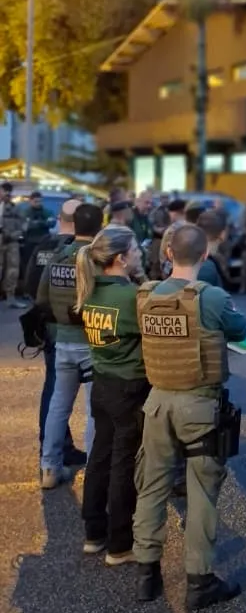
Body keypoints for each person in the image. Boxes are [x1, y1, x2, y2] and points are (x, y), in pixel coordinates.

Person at [132, 223, 246, 611]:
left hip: (157, 403)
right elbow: (240, 328)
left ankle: (147, 573)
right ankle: (199, 580)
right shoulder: (211, 297)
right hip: (199, 405)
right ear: (204, 256)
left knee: (152, 486)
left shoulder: (145, 294)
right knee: (202, 491)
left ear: (167, 253)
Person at [75, 225, 149, 564]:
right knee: (122, 462)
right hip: (128, 387)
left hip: (102, 383)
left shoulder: (90, 291)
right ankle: (120, 543)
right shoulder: (130, 297)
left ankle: (94, 531)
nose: (139, 254)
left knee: (100, 456)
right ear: (121, 258)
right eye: (135, 250)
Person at [37, 203, 104, 488]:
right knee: (93, 409)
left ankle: (49, 468)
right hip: (91, 343)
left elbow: (41, 299)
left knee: (58, 406)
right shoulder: (96, 259)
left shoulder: (57, 257)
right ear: (100, 226)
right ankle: (94, 473)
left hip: (62, 340)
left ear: (73, 225)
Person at [22, 200, 83, 469]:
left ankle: (51, 449)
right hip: (77, 331)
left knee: (55, 391)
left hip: (48, 328)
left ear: (60, 217)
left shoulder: (43, 246)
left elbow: (29, 284)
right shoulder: (80, 250)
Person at [0, 181, 27, 308]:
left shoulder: (15, 208)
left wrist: (13, 235)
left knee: (12, 270)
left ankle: (10, 297)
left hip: (11, 243)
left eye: (7, 191)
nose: (5, 194)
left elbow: (23, 225)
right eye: (3, 191)